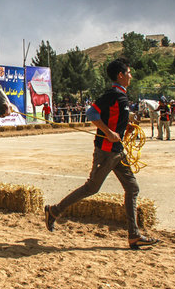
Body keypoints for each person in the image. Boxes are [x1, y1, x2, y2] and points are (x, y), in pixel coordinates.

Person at [44, 58, 160, 250]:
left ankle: (134, 235)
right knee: (91, 188)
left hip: (117, 152)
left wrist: (125, 129)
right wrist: (108, 132)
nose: (131, 76)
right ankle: (54, 211)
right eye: (128, 73)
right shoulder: (113, 95)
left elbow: (112, 119)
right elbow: (91, 114)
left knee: (132, 188)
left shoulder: (121, 96)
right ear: (120, 75)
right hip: (106, 152)